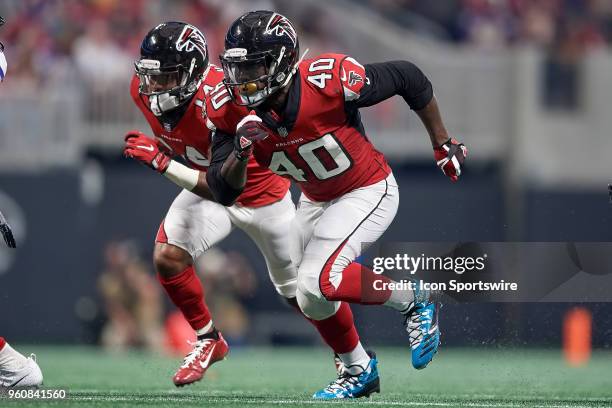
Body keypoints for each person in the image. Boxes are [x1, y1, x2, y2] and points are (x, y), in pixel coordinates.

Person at [206, 11, 467, 399]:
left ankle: (413, 299)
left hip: (367, 188)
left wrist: (442, 142)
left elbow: (408, 77)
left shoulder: (327, 81)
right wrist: (241, 152)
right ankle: (358, 368)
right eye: (237, 69)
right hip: (315, 197)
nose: (243, 80)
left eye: (254, 67)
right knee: (301, 291)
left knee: (322, 279)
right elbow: (223, 190)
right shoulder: (230, 110)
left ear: (281, 62)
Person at [124, 22, 340, 387]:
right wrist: (167, 152)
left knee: (300, 294)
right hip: (208, 186)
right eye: (150, 76)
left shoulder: (222, 99)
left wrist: (163, 163)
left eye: (165, 77)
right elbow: (185, 146)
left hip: (260, 195)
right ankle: (209, 340)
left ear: (192, 72)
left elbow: (225, 187)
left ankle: (347, 351)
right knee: (167, 255)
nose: (154, 87)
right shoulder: (141, 93)